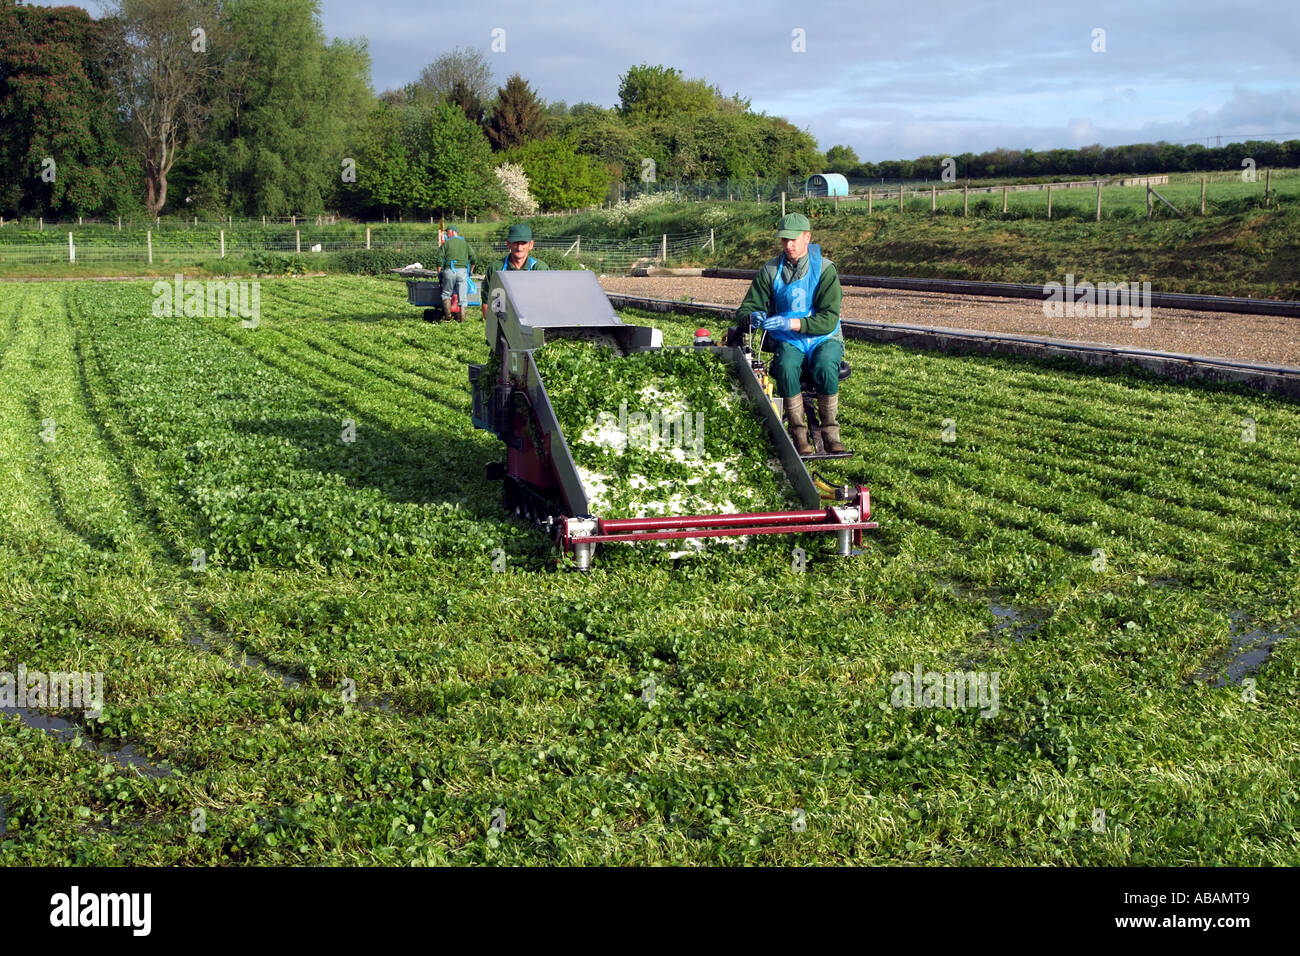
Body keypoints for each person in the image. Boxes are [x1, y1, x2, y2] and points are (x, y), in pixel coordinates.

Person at [736, 212, 846, 455]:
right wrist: (751, 317)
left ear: (808, 237)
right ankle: (799, 436)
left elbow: (829, 319)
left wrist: (792, 323)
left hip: (823, 337)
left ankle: (831, 433)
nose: (789, 245)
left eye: (794, 239)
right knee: (785, 367)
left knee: (826, 365)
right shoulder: (770, 271)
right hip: (789, 341)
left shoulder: (826, 270)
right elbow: (747, 307)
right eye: (784, 240)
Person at [481, 223, 549, 319]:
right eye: (515, 243)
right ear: (508, 243)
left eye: (523, 243)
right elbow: (486, 302)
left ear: (531, 245)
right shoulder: (496, 268)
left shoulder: (539, 268)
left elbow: (547, 302)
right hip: (503, 322)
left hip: (533, 320)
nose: (519, 247)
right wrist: (494, 330)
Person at [438, 225, 478, 322]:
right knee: (462, 296)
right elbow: (474, 259)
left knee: (446, 293)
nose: (447, 234)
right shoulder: (465, 244)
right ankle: (462, 319)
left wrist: (439, 272)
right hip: (462, 272)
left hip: (449, 271)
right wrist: (471, 271)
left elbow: (439, 259)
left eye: (447, 232)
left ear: (452, 232)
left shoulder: (446, 244)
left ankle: (447, 317)